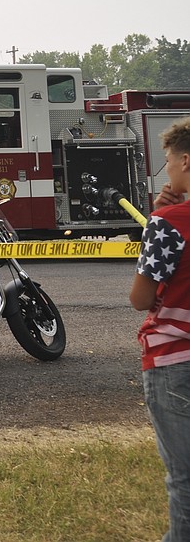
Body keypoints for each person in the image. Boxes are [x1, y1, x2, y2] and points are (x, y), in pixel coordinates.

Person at [130, 118, 190, 542]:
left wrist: (159, 218)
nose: (165, 169)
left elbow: (139, 297)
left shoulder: (167, 222)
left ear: (185, 161)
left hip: (173, 364)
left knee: (184, 480)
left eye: (167, 162)